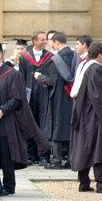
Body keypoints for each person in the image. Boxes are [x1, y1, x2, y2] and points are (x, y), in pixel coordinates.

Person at [0, 43, 51, 197]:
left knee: (5, 154)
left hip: (4, 120)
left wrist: (2, 111)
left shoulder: (11, 74)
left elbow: (18, 98)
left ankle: (9, 186)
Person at [69, 42, 102, 193]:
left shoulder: (84, 65)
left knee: (85, 148)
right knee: (100, 149)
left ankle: (83, 183)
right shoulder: (96, 69)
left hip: (83, 114)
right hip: (95, 116)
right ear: (98, 54)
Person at [35, 32, 79, 169]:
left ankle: (57, 161)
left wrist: (39, 77)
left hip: (59, 98)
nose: (49, 44)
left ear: (56, 42)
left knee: (57, 127)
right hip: (73, 96)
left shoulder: (57, 59)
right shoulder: (75, 56)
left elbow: (51, 81)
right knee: (70, 127)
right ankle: (71, 160)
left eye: (50, 41)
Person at [19, 31, 53, 165]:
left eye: (45, 39)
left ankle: (44, 155)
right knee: (29, 123)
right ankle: (30, 154)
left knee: (44, 124)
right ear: (34, 41)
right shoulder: (24, 58)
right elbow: (21, 77)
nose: (45, 42)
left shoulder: (50, 57)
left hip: (44, 95)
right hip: (30, 95)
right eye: (42, 40)